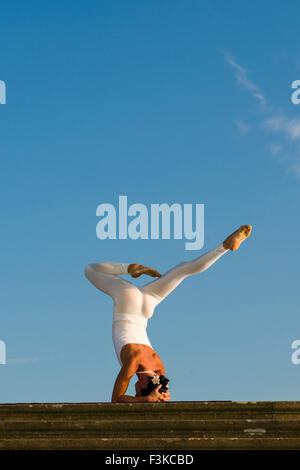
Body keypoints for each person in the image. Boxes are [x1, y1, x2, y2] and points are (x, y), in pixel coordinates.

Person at [84, 225, 252, 403]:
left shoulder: (158, 365)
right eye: (136, 392)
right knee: (90, 270)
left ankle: (223, 247)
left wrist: (160, 395)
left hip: (147, 306)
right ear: (141, 386)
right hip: (128, 305)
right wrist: (145, 400)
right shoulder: (133, 360)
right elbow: (116, 399)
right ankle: (129, 267)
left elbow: (161, 390)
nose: (133, 392)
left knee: (182, 270)